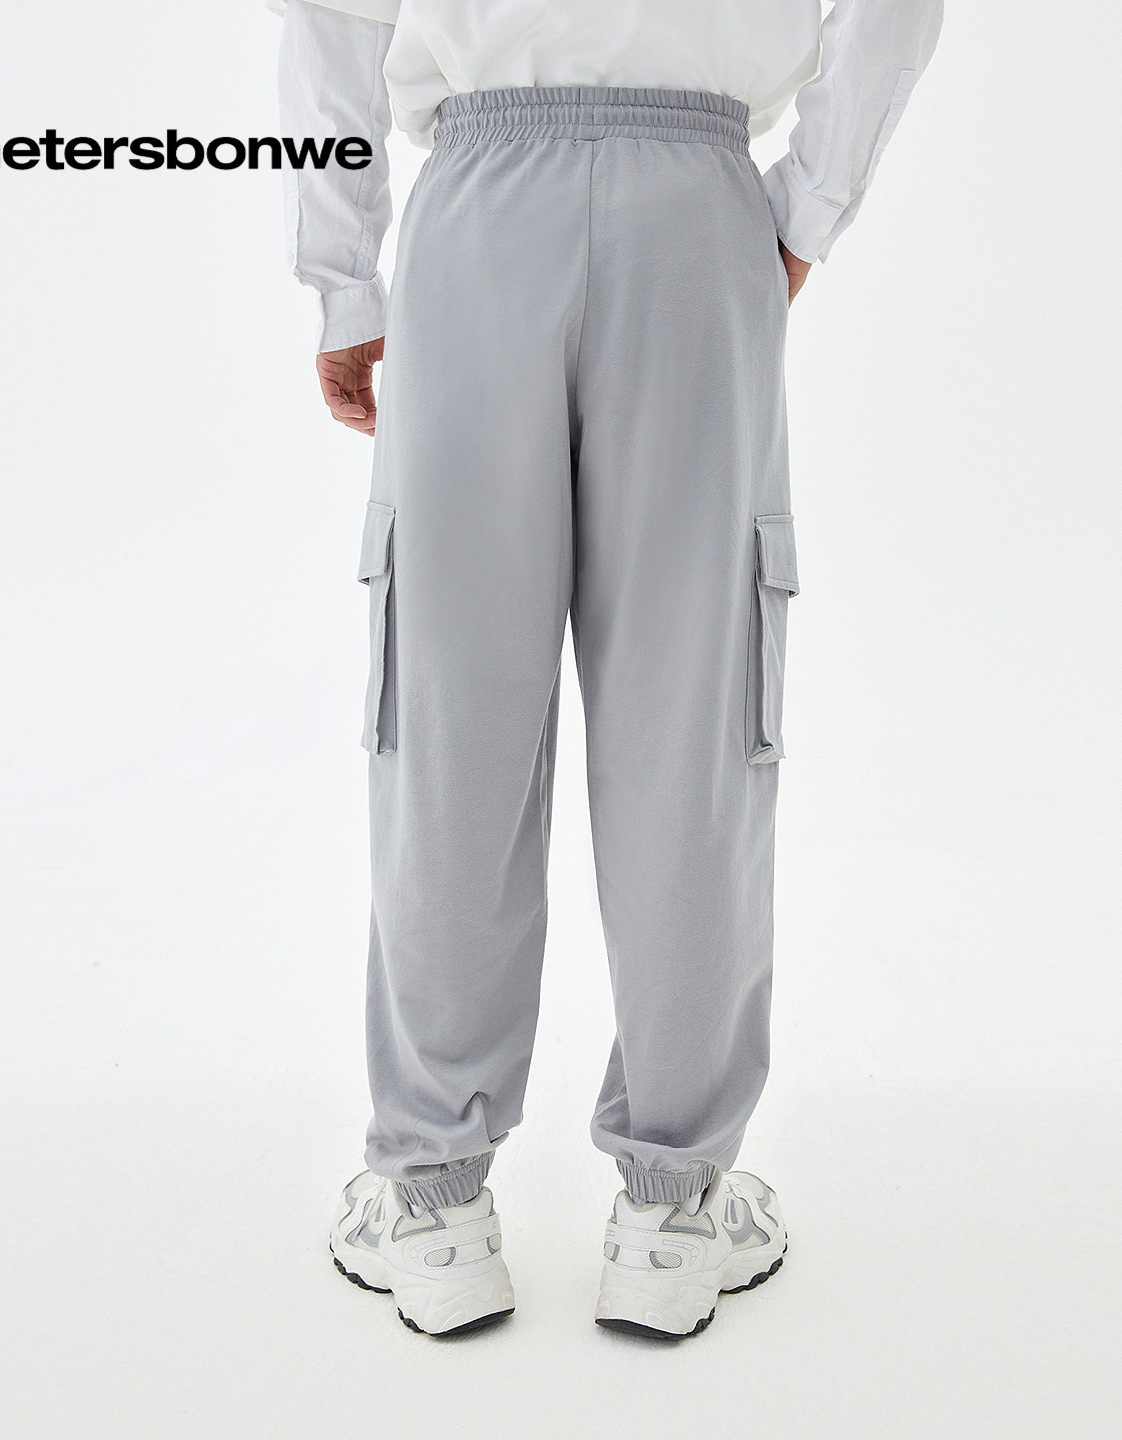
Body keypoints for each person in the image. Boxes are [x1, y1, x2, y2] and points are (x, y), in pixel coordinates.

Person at [275, 0, 942, 1338]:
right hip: (697, 211)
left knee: (449, 715)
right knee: (693, 714)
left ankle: (433, 1203)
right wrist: (805, 209)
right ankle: (671, 1212)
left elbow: (332, 16)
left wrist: (346, 279)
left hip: (479, 208)